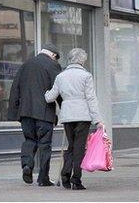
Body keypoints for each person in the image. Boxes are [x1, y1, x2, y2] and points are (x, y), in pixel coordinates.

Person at [45, 48, 104, 190]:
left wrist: (46, 93)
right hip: (83, 115)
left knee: (71, 146)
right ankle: (76, 180)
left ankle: (65, 173)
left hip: (68, 115)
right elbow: (91, 98)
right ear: (82, 60)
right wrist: (98, 120)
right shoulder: (86, 76)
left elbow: (50, 97)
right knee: (79, 148)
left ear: (70, 59)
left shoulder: (61, 76)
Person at [8, 44, 62, 186]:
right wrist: (65, 108)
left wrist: (14, 112)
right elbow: (59, 88)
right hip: (44, 113)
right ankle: (43, 178)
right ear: (54, 55)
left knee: (29, 140)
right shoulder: (52, 65)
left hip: (25, 112)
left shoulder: (26, 64)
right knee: (45, 145)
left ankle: (27, 165)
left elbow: (15, 88)